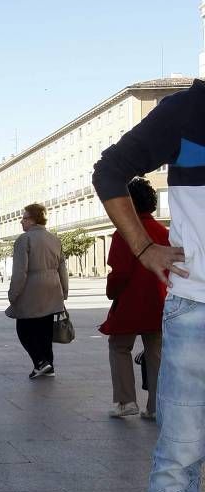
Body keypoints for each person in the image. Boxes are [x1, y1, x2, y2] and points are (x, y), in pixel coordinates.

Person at [92, 80, 205, 492]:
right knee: (181, 450)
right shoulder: (188, 110)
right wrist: (143, 246)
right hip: (198, 306)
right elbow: (109, 170)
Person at [99, 178, 169, 421]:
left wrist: (112, 292)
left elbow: (119, 272)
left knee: (119, 347)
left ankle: (126, 400)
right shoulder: (164, 232)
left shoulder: (125, 233)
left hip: (130, 301)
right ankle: (155, 405)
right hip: (159, 299)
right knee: (156, 351)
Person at [6, 203, 68, 379]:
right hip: (53, 289)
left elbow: (19, 271)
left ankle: (41, 362)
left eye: (25, 218)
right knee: (45, 331)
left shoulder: (24, 240)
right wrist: (64, 290)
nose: (21, 221)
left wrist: (13, 293)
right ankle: (48, 366)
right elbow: (62, 267)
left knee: (24, 329)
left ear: (33, 219)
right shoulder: (54, 239)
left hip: (32, 289)